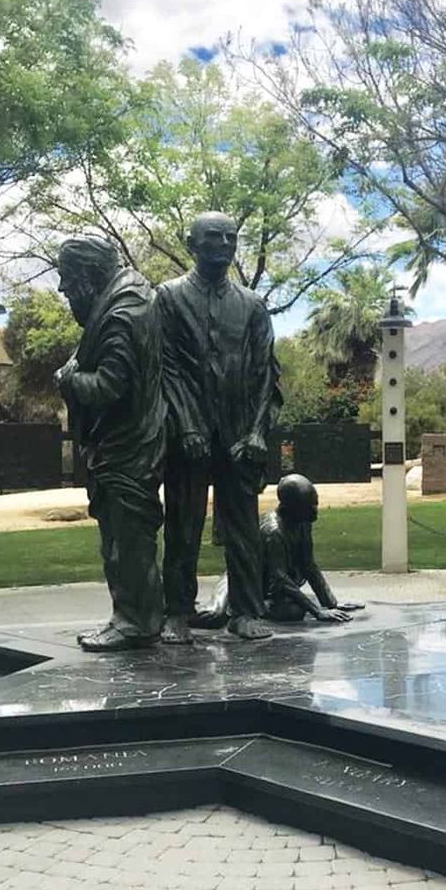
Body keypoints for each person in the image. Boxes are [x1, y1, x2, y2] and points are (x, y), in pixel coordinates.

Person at [157, 211, 281, 643]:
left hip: (239, 434)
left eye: (231, 238)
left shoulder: (251, 305)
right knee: (182, 526)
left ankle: (245, 611)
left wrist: (257, 433)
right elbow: (165, 368)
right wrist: (187, 425)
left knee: (243, 528)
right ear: (191, 243)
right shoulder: (168, 298)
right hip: (186, 432)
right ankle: (176, 611)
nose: (224, 245)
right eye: (214, 237)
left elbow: (266, 372)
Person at [55, 237, 165, 651]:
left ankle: (136, 621)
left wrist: (68, 380)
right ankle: (133, 615)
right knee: (122, 539)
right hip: (122, 445)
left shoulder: (122, 314)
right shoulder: (126, 303)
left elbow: (108, 385)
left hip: (128, 448)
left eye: (66, 278)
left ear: (89, 276)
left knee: (127, 541)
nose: (63, 289)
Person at [206, 474, 366, 624]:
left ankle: (262, 606)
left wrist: (331, 604)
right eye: (309, 506)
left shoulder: (302, 522)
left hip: (270, 588)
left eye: (315, 504)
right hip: (242, 582)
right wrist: (317, 612)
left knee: (294, 611)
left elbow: (308, 565)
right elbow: (279, 579)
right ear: (292, 508)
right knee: (215, 615)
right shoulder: (273, 532)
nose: (315, 511)